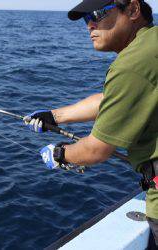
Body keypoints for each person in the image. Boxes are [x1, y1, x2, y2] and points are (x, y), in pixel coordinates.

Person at [24, 0, 158, 248]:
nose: (90, 25)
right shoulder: (151, 46)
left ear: (133, 10)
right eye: (86, 19)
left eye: (97, 14)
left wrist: (61, 154)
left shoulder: (131, 65)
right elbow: (113, 102)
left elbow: (96, 150)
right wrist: (55, 116)